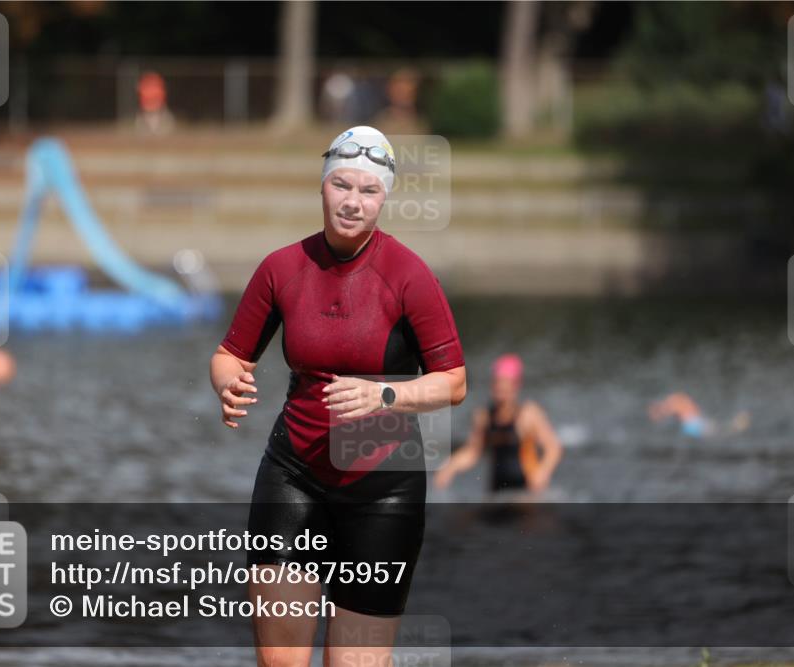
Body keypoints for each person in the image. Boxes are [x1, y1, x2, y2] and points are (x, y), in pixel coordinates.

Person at [210, 126, 467, 667]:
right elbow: (230, 354)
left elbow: (454, 382)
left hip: (383, 492)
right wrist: (228, 383)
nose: (352, 202)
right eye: (341, 186)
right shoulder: (282, 267)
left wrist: (385, 397)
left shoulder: (408, 275)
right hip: (294, 475)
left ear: (384, 198)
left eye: (368, 191)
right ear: (323, 187)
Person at [434, 354, 562, 496]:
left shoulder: (528, 414)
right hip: (496, 490)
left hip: (527, 490)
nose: (500, 392)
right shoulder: (484, 417)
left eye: (505, 387)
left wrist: (543, 472)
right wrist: (450, 468)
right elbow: (473, 452)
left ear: (515, 386)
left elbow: (553, 447)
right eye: (497, 385)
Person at [648, 392, 750, 439]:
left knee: (717, 430)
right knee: (719, 432)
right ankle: (736, 425)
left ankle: (736, 425)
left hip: (693, 424)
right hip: (694, 425)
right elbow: (669, 411)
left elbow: (666, 413)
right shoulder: (674, 401)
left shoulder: (674, 400)